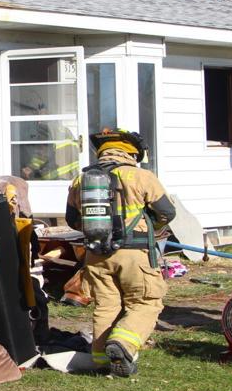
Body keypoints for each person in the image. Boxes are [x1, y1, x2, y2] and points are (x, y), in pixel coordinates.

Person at [65, 128, 176, 377]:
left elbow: (72, 220)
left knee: (106, 305)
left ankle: (102, 360)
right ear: (133, 154)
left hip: (96, 255)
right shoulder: (142, 176)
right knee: (146, 302)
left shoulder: (81, 180)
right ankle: (123, 344)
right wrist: (150, 226)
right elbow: (167, 212)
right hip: (135, 253)